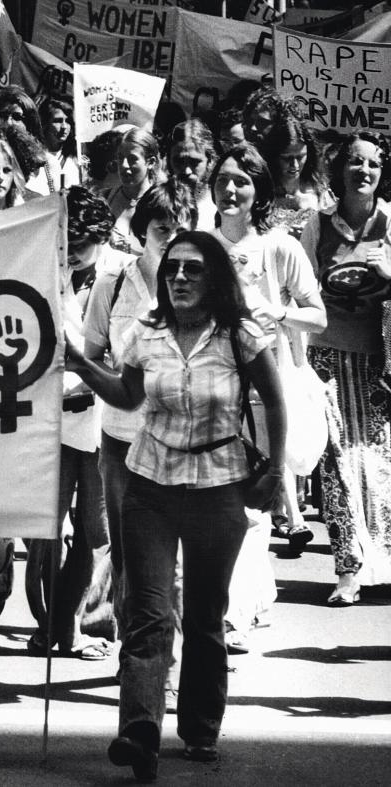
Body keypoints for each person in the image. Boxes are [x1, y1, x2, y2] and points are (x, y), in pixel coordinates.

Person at [67, 230, 286, 780]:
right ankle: (140, 731)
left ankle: (200, 729)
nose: (180, 278)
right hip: (150, 485)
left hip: (218, 487)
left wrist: (277, 472)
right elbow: (127, 396)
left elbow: (276, 402)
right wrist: (78, 363)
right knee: (148, 612)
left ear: (212, 277)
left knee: (206, 615)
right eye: (172, 271)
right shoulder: (147, 331)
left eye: (191, 269)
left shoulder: (240, 334)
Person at [83, 181, 198, 706]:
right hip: (121, 441)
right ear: (142, 233)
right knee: (129, 557)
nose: (171, 240)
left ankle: (164, 669)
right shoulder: (112, 285)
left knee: (170, 562)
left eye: (180, 228)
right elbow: (93, 358)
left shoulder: (201, 289)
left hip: (178, 444)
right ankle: (136, 653)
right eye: (161, 229)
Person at [209, 144, 326, 648]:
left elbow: (318, 317)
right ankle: (248, 598)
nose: (231, 189)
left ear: (258, 189)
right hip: (213, 388)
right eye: (224, 179)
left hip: (266, 388)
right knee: (225, 502)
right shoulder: (201, 244)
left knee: (251, 502)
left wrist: (274, 312)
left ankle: (234, 614)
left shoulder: (279, 247)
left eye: (243, 181)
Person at [300, 131, 391, 604]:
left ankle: (384, 561)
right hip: (328, 354)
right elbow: (301, 288)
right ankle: (347, 570)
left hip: (380, 359)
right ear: (341, 170)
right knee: (334, 460)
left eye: (372, 164)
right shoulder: (318, 223)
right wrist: (327, 283)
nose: (363, 171)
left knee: (378, 461)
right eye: (355, 163)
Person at [25, 186, 116, 661]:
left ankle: (75, 625)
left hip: (102, 417)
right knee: (45, 527)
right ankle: (48, 625)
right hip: (50, 419)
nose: (71, 253)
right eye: (64, 241)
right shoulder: (41, 269)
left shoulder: (121, 275)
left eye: (81, 243)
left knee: (93, 532)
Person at [261, 111, 334, 237]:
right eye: (286, 158)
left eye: (300, 157)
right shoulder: (262, 192)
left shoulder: (320, 190)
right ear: (274, 157)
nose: (294, 165)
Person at [103, 126, 160, 255]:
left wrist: (132, 248)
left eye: (132, 159)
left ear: (150, 162)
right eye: (120, 157)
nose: (124, 165)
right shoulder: (105, 199)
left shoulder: (162, 203)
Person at [166, 119, 217, 231]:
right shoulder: (157, 203)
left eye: (194, 162)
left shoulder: (220, 207)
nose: (187, 171)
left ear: (210, 161)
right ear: (168, 161)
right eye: (179, 161)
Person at [30, 97, 80, 193]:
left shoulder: (76, 158)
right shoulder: (34, 157)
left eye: (68, 121)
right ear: (45, 123)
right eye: (58, 121)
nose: (64, 126)